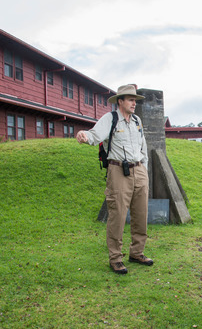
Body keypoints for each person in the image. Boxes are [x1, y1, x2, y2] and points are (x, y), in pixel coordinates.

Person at [76, 84, 153, 275]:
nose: (134, 103)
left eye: (135, 100)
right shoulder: (110, 119)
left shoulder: (137, 120)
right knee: (117, 215)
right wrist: (84, 135)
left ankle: (137, 252)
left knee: (141, 214)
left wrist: (144, 166)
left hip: (139, 170)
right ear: (120, 101)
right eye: (130, 100)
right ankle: (116, 258)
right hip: (119, 171)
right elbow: (95, 135)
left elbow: (143, 145)